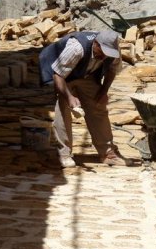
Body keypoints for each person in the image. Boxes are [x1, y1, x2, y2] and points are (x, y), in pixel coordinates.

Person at [39, 30, 131, 168]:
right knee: (63, 108)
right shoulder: (77, 48)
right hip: (64, 75)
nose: (105, 57)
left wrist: (104, 91)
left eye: (108, 54)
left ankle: (108, 154)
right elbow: (58, 75)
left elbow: (112, 70)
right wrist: (69, 97)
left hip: (87, 75)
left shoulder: (113, 49)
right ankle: (63, 153)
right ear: (96, 44)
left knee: (98, 107)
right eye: (103, 52)